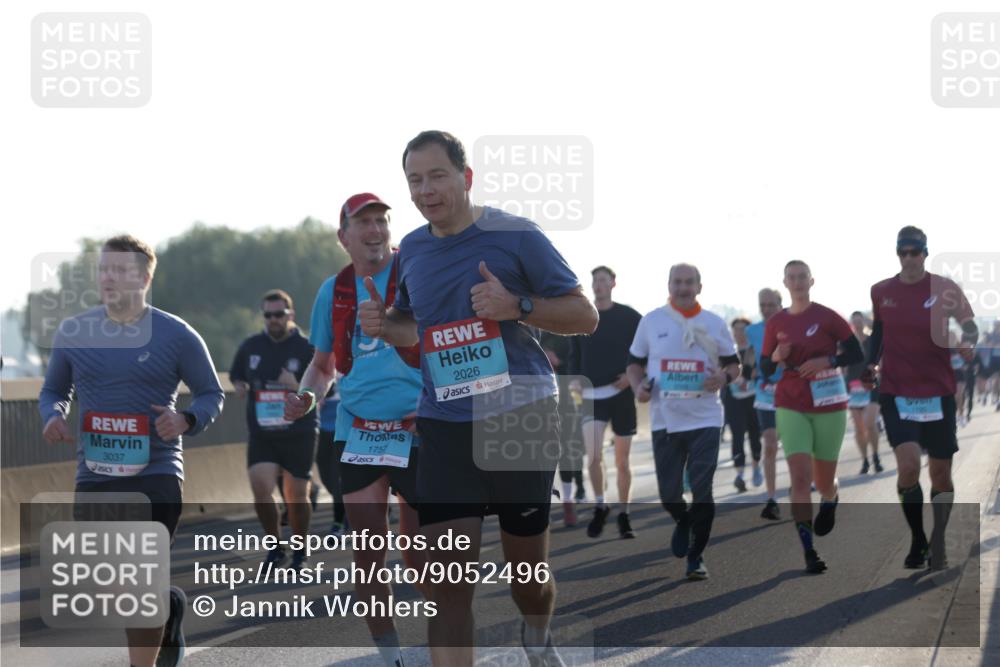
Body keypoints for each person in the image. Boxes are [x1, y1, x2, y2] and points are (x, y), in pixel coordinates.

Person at [360, 130, 598, 666]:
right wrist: (384, 324)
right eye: (414, 180)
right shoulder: (413, 250)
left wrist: (517, 305)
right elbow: (410, 329)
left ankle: (537, 636)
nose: (426, 190)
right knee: (449, 587)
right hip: (444, 422)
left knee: (526, 578)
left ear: (466, 178)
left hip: (519, 416)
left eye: (437, 175)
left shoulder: (516, 236)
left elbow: (584, 315)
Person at [40, 235, 224, 667]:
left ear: (144, 277)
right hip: (95, 474)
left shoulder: (176, 334)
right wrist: (53, 415)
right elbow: (53, 390)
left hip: (156, 472)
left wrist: (185, 420)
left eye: (121, 270)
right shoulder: (74, 332)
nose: (109, 278)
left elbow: (211, 393)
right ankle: (171, 606)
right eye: (104, 269)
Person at [285, 192, 428, 667]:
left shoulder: (416, 271)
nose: (375, 230)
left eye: (381, 220)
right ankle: (391, 656)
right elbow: (322, 366)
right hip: (360, 430)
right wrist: (307, 397)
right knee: (368, 555)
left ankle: (442, 635)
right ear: (343, 235)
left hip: (419, 426)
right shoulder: (334, 290)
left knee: (419, 550)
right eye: (363, 222)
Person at [864, 226, 977, 570]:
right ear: (897, 254)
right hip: (897, 391)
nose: (909, 258)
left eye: (915, 251)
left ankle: (938, 538)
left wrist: (967, 340)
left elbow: (969, 324)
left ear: (926, 253)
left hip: (938, 391)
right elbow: (879, 331)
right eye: (903, 252)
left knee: (940, 475)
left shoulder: (945, 289)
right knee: (909, 467)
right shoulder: (881, 291)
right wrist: (871, 362)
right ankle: (918, 539)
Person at [626, 263, 741, 581]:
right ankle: (683, 520)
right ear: (668, 285)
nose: (683, 288)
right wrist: (639, 387)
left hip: (705, 416)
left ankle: (696, 556)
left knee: (702, 489)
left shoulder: (715, 323)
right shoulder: (652, 321)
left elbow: (734, 364)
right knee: (669, 493)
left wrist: (723, 377)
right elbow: (634, 363)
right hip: (665, 419)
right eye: (677, 282)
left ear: (699, 287)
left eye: (689, 282)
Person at [760, 260, 863, 574]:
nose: (798, 281)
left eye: (802, 276)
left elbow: (857, 354)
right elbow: (764, 369)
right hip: (790, 401)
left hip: (829, 400)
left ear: (811, 280)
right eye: (792, 277)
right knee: (800, 478)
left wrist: (827, 360)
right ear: (785, 283)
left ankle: (831, 497)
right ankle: (808, 551)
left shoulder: (828, 317)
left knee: (822, 480)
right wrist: (777, 356)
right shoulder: (776, 322)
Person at [230, 290, 318, 569]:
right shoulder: (251, 346)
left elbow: (325, 387)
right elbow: (236, 374)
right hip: (263, 433)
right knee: (261, 487)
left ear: (290, 315)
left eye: (279, 314)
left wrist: (296, 386)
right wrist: (240, 385)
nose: (273, 320)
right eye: (268, 315)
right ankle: (275, 547)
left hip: (299, 431)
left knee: (296, 494)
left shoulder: (307, 347)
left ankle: (300, 549)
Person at [567, 266, 642, 538]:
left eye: (602, 280)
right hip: (590, 395)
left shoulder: (629, 316)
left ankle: (624, 513)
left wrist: (632, 374)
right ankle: (601, 505)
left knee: (622, 462)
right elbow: (573, 352)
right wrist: (574, 379)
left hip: (620, 393)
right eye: (594, 281)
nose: (598, 285)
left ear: (613, 283)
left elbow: (643, 348)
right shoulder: (584, 317)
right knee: (594, 456)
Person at [744, 288, 784, 520]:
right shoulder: (752, 330)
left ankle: (802, 484)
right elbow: (748, 355)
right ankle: (772, 499)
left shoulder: (791, 325)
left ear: (780, 304)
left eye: (771, 305)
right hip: (765, 393)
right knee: (769, 443)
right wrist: (748, 371)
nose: (766, 309)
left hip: (791, 392)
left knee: (794, 446)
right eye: (762, 305)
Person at [539, 330, 586, 527]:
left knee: (569, 448)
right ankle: (542, 505)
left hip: (568, 400)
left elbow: (577, 361)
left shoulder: (568, 332)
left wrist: (558, 361)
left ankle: (570, 499)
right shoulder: (535, 333)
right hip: (536, 400)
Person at [723, 317, 762, 493]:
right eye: (735, 329)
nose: (739, 333)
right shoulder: (728, 351)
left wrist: (752, 373)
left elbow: (758, 371)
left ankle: (756, 466)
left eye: (742, 329)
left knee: (755, 433)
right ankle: (739, 474)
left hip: (753, 397)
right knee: (737, 435)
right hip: (733, 398)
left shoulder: (755, 349)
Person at [844, 311, 883, 474]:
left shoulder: (871, 341)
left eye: (860, 321)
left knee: (869, 423)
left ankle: (875, 456)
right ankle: (865, 460)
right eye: (855, 321)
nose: (858, 324)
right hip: (853, 388)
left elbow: (879, 360)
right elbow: (843, 366)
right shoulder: (847, 343)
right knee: (859, 429)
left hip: (871, 386)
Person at [315, 383, 348, 534]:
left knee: (337, 477)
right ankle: (346, 509)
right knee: (325, 473)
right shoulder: (318, 361)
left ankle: (338, 522)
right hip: (321, 425)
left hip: (345, 425)